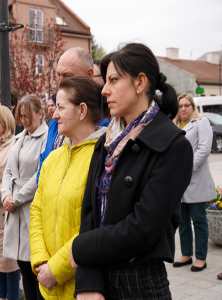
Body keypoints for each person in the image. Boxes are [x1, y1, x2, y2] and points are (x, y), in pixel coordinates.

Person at [69, 43, 194, 300]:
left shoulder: (173, 146)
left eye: (113, 80)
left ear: (140, 83)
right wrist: (88, 283)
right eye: (105, 81)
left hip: (140, 283)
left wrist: (80, 248)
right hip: (98, 279)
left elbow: (143, 227)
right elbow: (89, 215)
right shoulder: (107, 142)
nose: (104, 90)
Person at [30, 76, 108, 300]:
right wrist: (41, 261)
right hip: (48, 286)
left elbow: (94, 222)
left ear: (82, 110)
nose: (54, 114)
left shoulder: (103, 158)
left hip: (82, 286)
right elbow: (36, 210)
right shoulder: (52, 159)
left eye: (61, 107)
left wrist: (56, 269)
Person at [2, 95, 48, 300]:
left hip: (32, 208)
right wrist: (6, 195)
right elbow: (8, 172)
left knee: (36, 267)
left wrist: (16, 198)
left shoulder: (47, 139)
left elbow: (41, 175)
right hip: (15, 208)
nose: (24, 120)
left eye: (28, 115)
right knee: (23, 266)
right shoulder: (20, 137)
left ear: (40, 113)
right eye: (21, 116)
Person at [37, 47, 96, 185]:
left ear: (89, 74)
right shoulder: (56, 117)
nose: (60, 82)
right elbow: (45, 157)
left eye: (67, 75)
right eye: (58, 75)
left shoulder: (101, 117)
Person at [172, 93, 215, 272]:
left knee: (198, 220)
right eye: (180, 106)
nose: (183, 109)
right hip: (177, 182)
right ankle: (187, 254)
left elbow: (204, 149)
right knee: (182, 220)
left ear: (192, 107)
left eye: (186, 105)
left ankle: (201, 257)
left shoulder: (201, 122)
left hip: (195, 179)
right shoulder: (173, 125)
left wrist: (185, 169)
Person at [0, 106, 20, 300]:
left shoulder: (14, 145)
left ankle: (13, 296)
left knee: (8, 261)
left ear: (5, 123)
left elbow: (13, 178)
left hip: (3, 209)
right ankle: (1, 296)